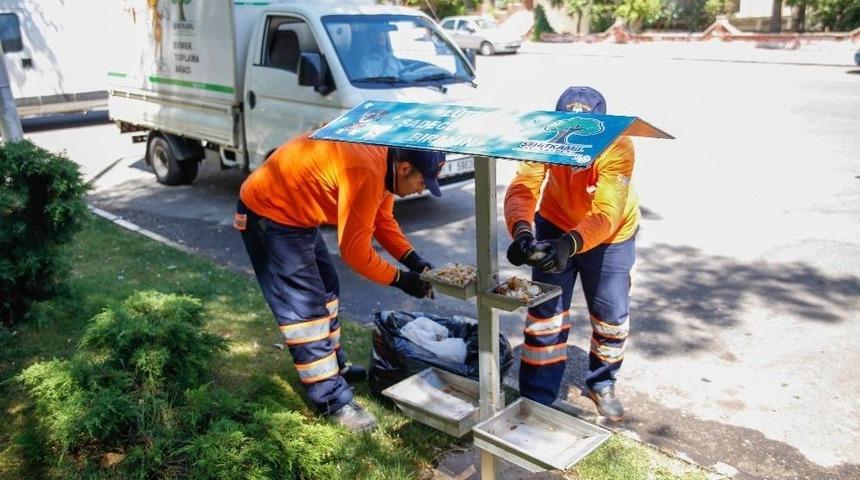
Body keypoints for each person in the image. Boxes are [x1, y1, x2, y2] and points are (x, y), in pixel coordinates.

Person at [234, 132, 443, 432]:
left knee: (327, 286)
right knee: (304, 311)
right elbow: (355, 253)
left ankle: (334, 367)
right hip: (269, 213)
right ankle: (332, 399)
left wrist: (415, 261)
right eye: (422, 183)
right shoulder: (367, 171)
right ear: (405, 169)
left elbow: (382, 221)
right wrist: (402, 280)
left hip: (295, 213)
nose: (420, 190)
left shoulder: (387, 164)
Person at [503, 86, 638, 421]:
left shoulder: (619, 146)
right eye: (567, 134)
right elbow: (524, 187)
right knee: (545, 313)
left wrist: (569, 245)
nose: (573, 142)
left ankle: (602, 382)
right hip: (554, 223)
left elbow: (607, 212)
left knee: (611, 314)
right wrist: (522, 231)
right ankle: (536, 397)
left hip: (611, 235)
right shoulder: (545, 138)